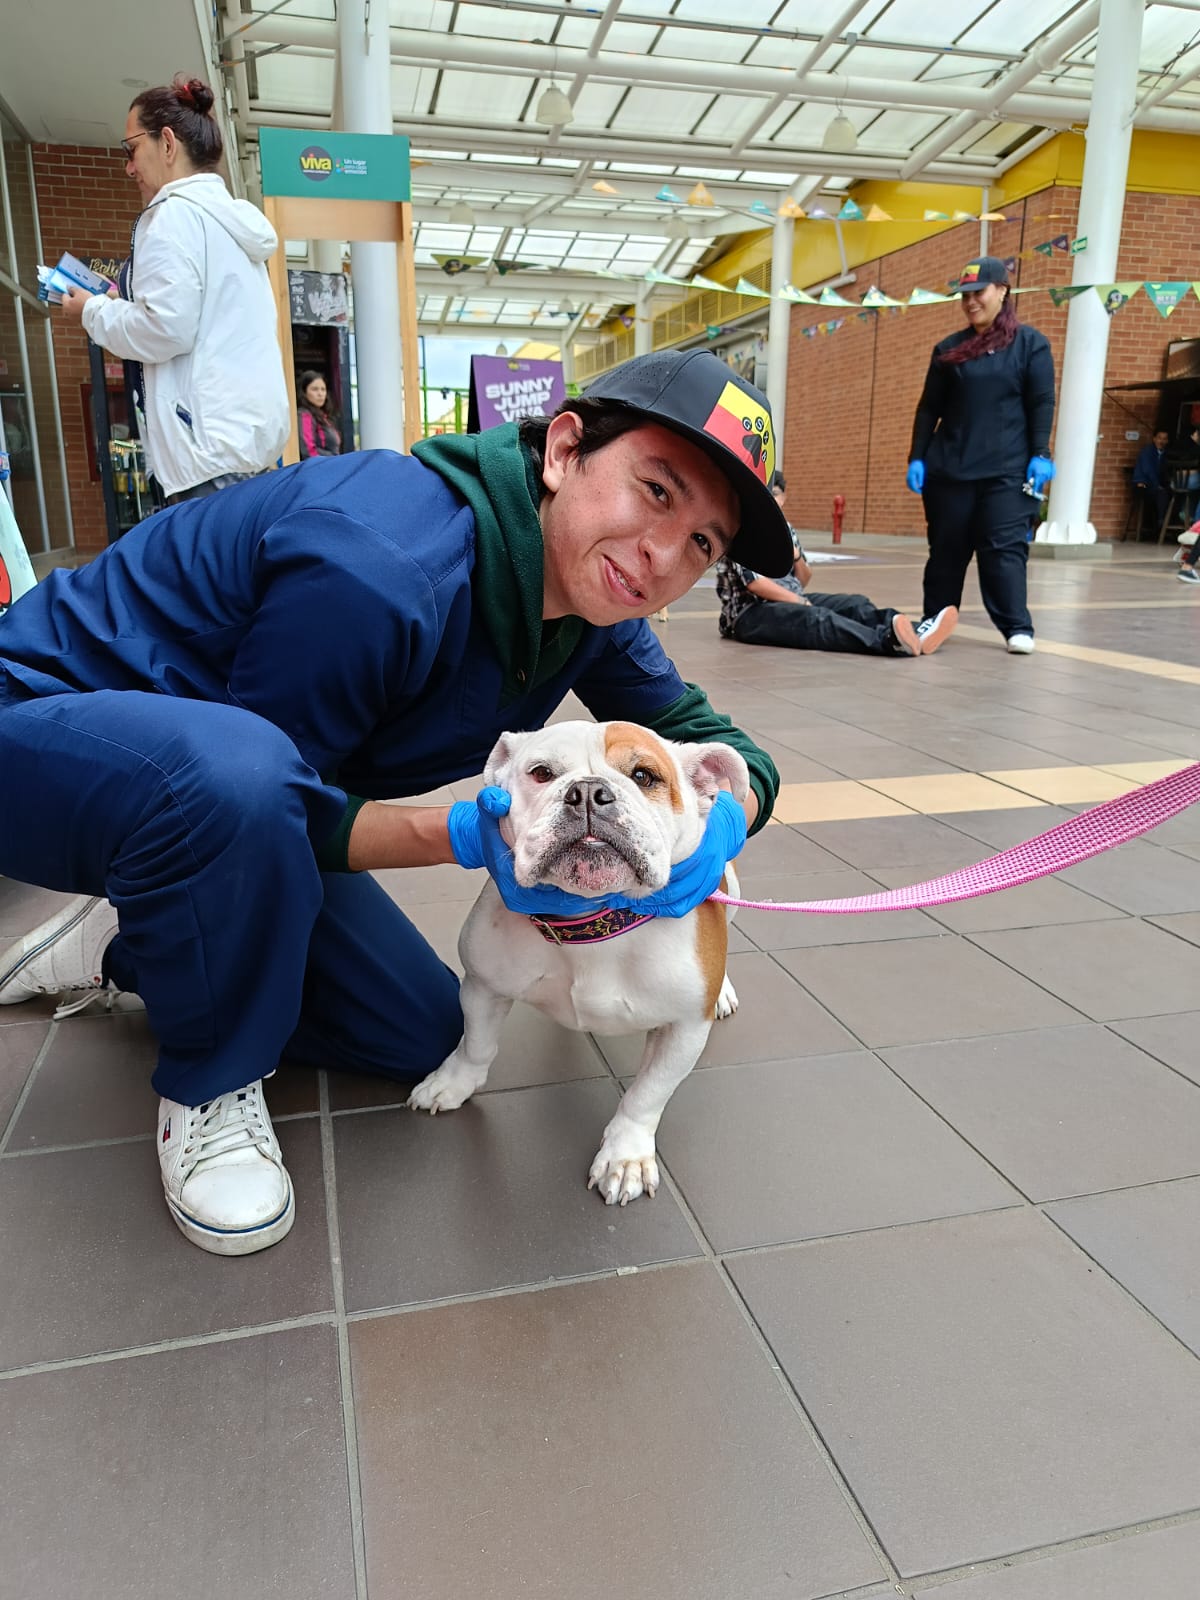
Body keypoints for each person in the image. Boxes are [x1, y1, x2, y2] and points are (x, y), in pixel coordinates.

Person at [0, 349, 793, 1258]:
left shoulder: (590, 600)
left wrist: (722, 817)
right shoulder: (381, 561)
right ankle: (209, 1084)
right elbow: (274, 803)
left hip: (231, 809)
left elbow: (710, 733)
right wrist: (476, 834)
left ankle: (129, 937)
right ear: (565, 450)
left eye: (702, 543)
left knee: (423, 1031)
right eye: (657, 491)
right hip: (37, 729)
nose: (662, 556)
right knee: (239, 774)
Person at [59, 76, 289, 505]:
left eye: (131, 149)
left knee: (205, 572)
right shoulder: (227, 221)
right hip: (244, 444)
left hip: (205, 451)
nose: (128, 167)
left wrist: (92, 311)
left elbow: (165, 329)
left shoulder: (171, 217)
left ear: (166, 144)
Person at [905, 256, 1056, 655]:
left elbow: (1041, 401)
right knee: (946, 553)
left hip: (1006, 472)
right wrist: (917, 457)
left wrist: (1040, 453)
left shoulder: (1030, 345)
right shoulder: (949, 349)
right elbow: (928, 408)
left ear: (1002, 291)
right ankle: (934, 621)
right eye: (965, 295)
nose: (970, 301)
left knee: (1003, 549)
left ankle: (1016, 626)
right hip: (949, 471)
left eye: (979, 293)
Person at [716, 472, 958, 657]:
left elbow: (802, 580)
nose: (773, 498)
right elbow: (755, 584)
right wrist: (801, 602)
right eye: (767, 492)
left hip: (789, 597)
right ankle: (888, 640)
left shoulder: (785, 529)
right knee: (817, 619)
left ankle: (917, 630)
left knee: (855, 603)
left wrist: (797, 556)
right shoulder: (744, 529)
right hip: (749, 615)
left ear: (784, 497)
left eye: (777, 492)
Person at [297, 371, 342, 459]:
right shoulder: (304, 415)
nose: (320, 394)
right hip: (319, 467)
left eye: (323, 389)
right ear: (304, 392)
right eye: (315, 389)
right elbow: (308, 451)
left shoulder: (325, 417)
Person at [1132, 428, 1170, 527]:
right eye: (1159, 438)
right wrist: (1157, 485)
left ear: (1167, 441)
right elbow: (1148, 471)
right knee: (1162, 494)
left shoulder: (1164, 454)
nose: (1161, 441)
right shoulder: (1147, 451)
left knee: (1169, 493)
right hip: (1142, 484)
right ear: (1154, 439)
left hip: (1153, 484)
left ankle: (1161, 523)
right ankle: (1160, 523)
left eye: (1164, 439)